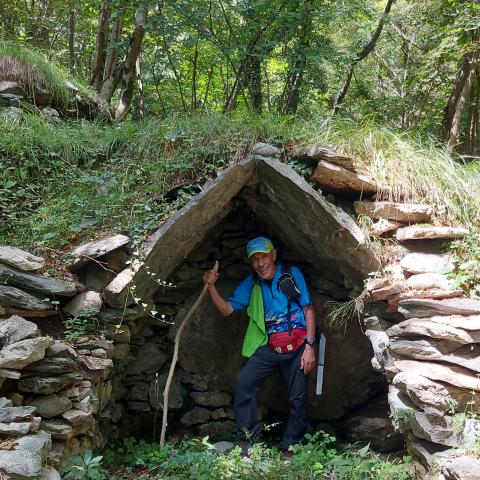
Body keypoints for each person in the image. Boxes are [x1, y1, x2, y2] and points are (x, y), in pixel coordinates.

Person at [202, 236, 316, 456]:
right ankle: (248, 441)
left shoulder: (290, 274)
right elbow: (226, 309)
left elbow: (308, 309)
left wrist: (310, 346)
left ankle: (291, 447)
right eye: (254, 259)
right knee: (243, 383)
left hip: (299, 346)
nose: (260, 262)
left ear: (273, 256)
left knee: (298, 397)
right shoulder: (253, 282)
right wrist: (210, 287)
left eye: (264, 256)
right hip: (271, 346)